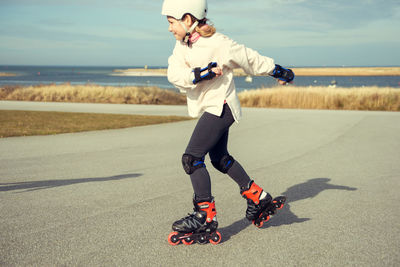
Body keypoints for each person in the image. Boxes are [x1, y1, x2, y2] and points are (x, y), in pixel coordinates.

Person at [162, 0, 294, 245]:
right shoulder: (182, 46)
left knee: (192, 159)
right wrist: (199, 74)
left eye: (171, 22)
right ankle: (258, 197)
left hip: (222, 107)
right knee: (220, 159)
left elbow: (249, 58)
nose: (169, 28)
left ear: (188, 19)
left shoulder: (219, 44)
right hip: (213, 108)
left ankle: (205, 215)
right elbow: (174, 73)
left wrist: (278, 71)